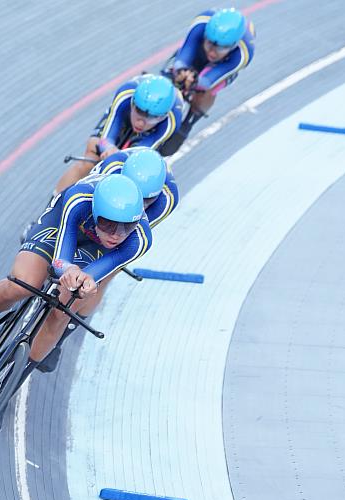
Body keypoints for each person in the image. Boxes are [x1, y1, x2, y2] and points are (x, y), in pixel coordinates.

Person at [0, 174, 153, 390]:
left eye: (127, 226)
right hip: (61, 227)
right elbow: (60, 260)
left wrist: (86, 282)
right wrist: (67, 269)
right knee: (23, 283)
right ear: (96, 212)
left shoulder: (139, 239)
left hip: (95, 250)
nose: (117, 235)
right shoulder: (78, 200)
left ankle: (8, 387)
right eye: (108, 224)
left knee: (61, 312)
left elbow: (97, 273)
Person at [37, 147, 179, 373]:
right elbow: (86, 203)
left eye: (147, 200)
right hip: (100, 215)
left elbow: (129, 238)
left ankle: (61, 337)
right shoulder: (112, 167)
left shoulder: (166, 199)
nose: (140, 204)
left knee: (105, 275)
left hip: (117, 234)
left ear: (157, 195)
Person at [52, 74, 182, 195]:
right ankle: (51, 211)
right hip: (124, 115)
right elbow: (105, 139)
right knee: (91, 156)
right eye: (139, 111)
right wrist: (108, 148)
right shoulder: (125, 95)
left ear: (163, 117)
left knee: (132, 176)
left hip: (150, 135)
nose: (141, 122)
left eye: (152, 117)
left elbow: (139, 155)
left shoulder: (171, 121)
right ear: (133, 103)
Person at [159, 7, 255, 156]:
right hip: (197, 51)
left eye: (220, 48)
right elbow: (184, 55)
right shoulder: (201, 22)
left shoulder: (243, 53)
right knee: (172, 73)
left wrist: (196, 82)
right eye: (210, 44)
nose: (212, 52)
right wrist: (180, 71)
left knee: (206, 91)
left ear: (234, 45)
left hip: (223, 66)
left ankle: (189, 122)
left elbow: (209, 79)